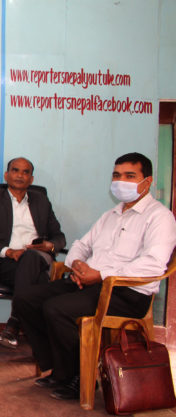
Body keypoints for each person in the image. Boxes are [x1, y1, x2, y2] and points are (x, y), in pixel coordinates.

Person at [13, 152, 176, 400]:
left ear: (148, 181)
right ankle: (59, 369)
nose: (121, 181)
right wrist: (78, 265)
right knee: (26, 299)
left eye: (130, 176)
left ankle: (80, 377)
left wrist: (100, 275)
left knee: (56, 308)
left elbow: (153, 264)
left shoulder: (160, 217)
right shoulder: (111, 215)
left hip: (127, 292)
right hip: (89, 282)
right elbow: (82, 244)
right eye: (117, 175)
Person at [0, 157, 65, 348]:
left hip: (38, 257)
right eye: (15, 170)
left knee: (31, 257)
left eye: (25, 172)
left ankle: (15, 322)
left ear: (31, 179)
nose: (20, 175)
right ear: (6, 175)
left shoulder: (41, 201)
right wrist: (8, 252)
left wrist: (49, 246)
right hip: (6, 263)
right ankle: (35, 334)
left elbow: (59, 237)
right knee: (40, 281)